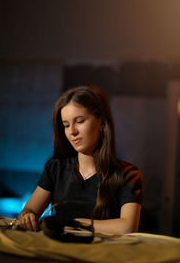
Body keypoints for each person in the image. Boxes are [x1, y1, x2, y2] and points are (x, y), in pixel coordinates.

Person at [18, 85, 142, 234]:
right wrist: (27, 216)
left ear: (101, 123)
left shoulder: (128, 174)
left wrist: (79, 223)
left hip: (102, 255)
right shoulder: (55, 168)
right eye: (66, 125)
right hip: (58, 253)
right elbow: (28, 211)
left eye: (80, 121)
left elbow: (128, 227)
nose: (72, 132)